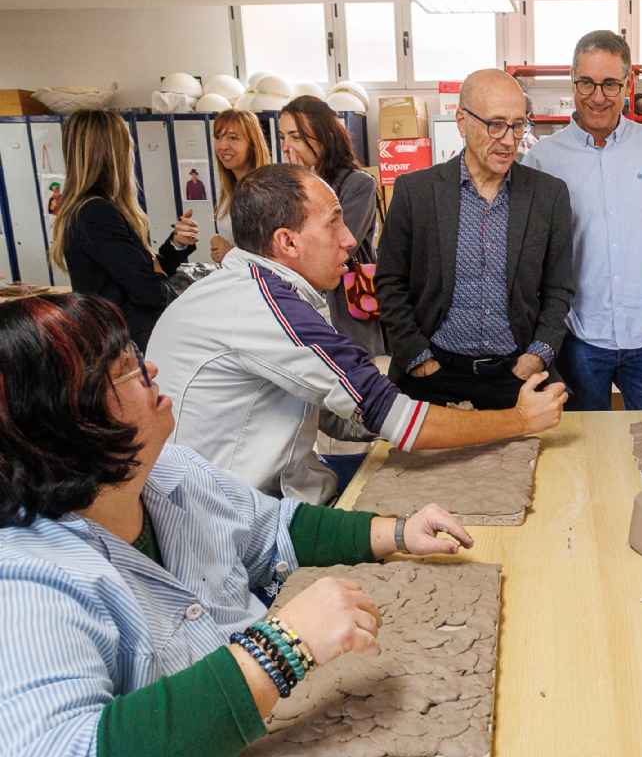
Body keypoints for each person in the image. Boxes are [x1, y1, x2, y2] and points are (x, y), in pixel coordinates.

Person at [0, 292, 472, 757]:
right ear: (63, 416)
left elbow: (274, 531)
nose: (149, 368)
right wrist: (280, 648)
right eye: (123, 367)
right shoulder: (27, 581)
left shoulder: (164, 470)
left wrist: (396, 532)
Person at [148, 163, 567, 506]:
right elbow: (392, 417)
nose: (350, 240)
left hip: (262, 486)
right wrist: (519, 419)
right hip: (232, 515)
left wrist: (436, 417)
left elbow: (341, 411)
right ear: (287, 242)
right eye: (334, 224)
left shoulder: (261, 291)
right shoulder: (264, 308)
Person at [376, 68, 574, 410]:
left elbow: (559, 289)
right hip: (434, 374)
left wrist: (536, 357)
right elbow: (390, 281)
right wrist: (417, 359)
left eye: (518, 125)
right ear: (462, 122)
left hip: (515, 374)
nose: (510, 140)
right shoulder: (416, 192)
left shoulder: (548, 195)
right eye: (496, 124)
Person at [523, 30, 642, 411]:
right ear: (572, 82)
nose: (598, 96)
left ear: (627, 84)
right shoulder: (543, 160)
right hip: (578, 339)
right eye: (586, 83)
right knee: (582, 453)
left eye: (609, 84)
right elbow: (530, 258)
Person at [49, 109, 199, 352]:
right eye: (129, 146)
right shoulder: (96, 213)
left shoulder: (97, 209)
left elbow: (140, 274)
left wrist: (177, 244)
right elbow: (149, 290)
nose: (132, 155)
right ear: (112, 154)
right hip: (130, 344)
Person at [280, 96, 385, 358]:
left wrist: (306, 186)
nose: (286, 147)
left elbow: (334, 248)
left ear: (325, 136)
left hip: (346, 308)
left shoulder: (357, 184)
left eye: (296, 137)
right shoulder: (284, 187)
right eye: (282, 137)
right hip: (300, 305)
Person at [210, 108, 270, 264]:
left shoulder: (268, 193)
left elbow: (275, 261)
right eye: (218, 137)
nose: (223, 146)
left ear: (252, 144)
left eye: (233, 138)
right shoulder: (228, 190)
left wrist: (230, 254)